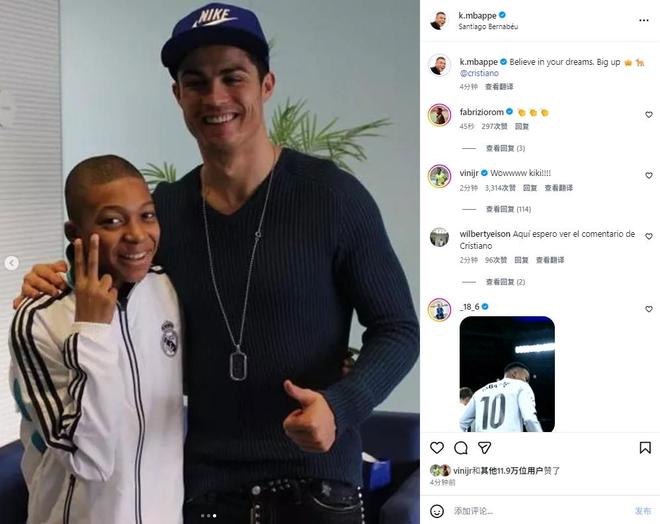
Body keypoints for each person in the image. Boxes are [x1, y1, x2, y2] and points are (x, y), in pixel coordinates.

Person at [16, 4, 419, 523]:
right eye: (196, 82)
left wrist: (341, 406)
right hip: (204, 493)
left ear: (266, 84)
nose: (215, 97)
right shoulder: (164, 214)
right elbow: (116, 275)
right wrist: (59, 275)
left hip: (316, 486)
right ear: (178, 95)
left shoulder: (333, 198)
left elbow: (399, 328)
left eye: (233, 77)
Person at [8, 155, 184, 523]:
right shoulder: (40, 319)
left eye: (147, 215)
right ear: (75, 233)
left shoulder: (168, 290)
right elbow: (89, 458)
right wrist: (91, 330)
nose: (137, 234)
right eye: (112, 221)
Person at [460, 362, 543, 432]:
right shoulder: (522, 386)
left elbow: (461, 423)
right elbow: (529, 419)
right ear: (514, 373)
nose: (526, 382)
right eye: (526, 378)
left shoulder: (479, 392)